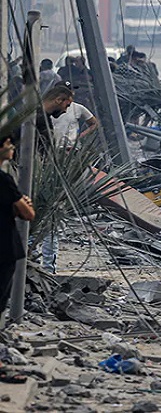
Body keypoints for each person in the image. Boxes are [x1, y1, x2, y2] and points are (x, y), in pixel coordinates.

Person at [0, 135, 35, 382]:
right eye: (7, 143)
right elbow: (28, 213)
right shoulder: (4, 181)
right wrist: (21, 204)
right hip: (3, 249)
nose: (11, 147)